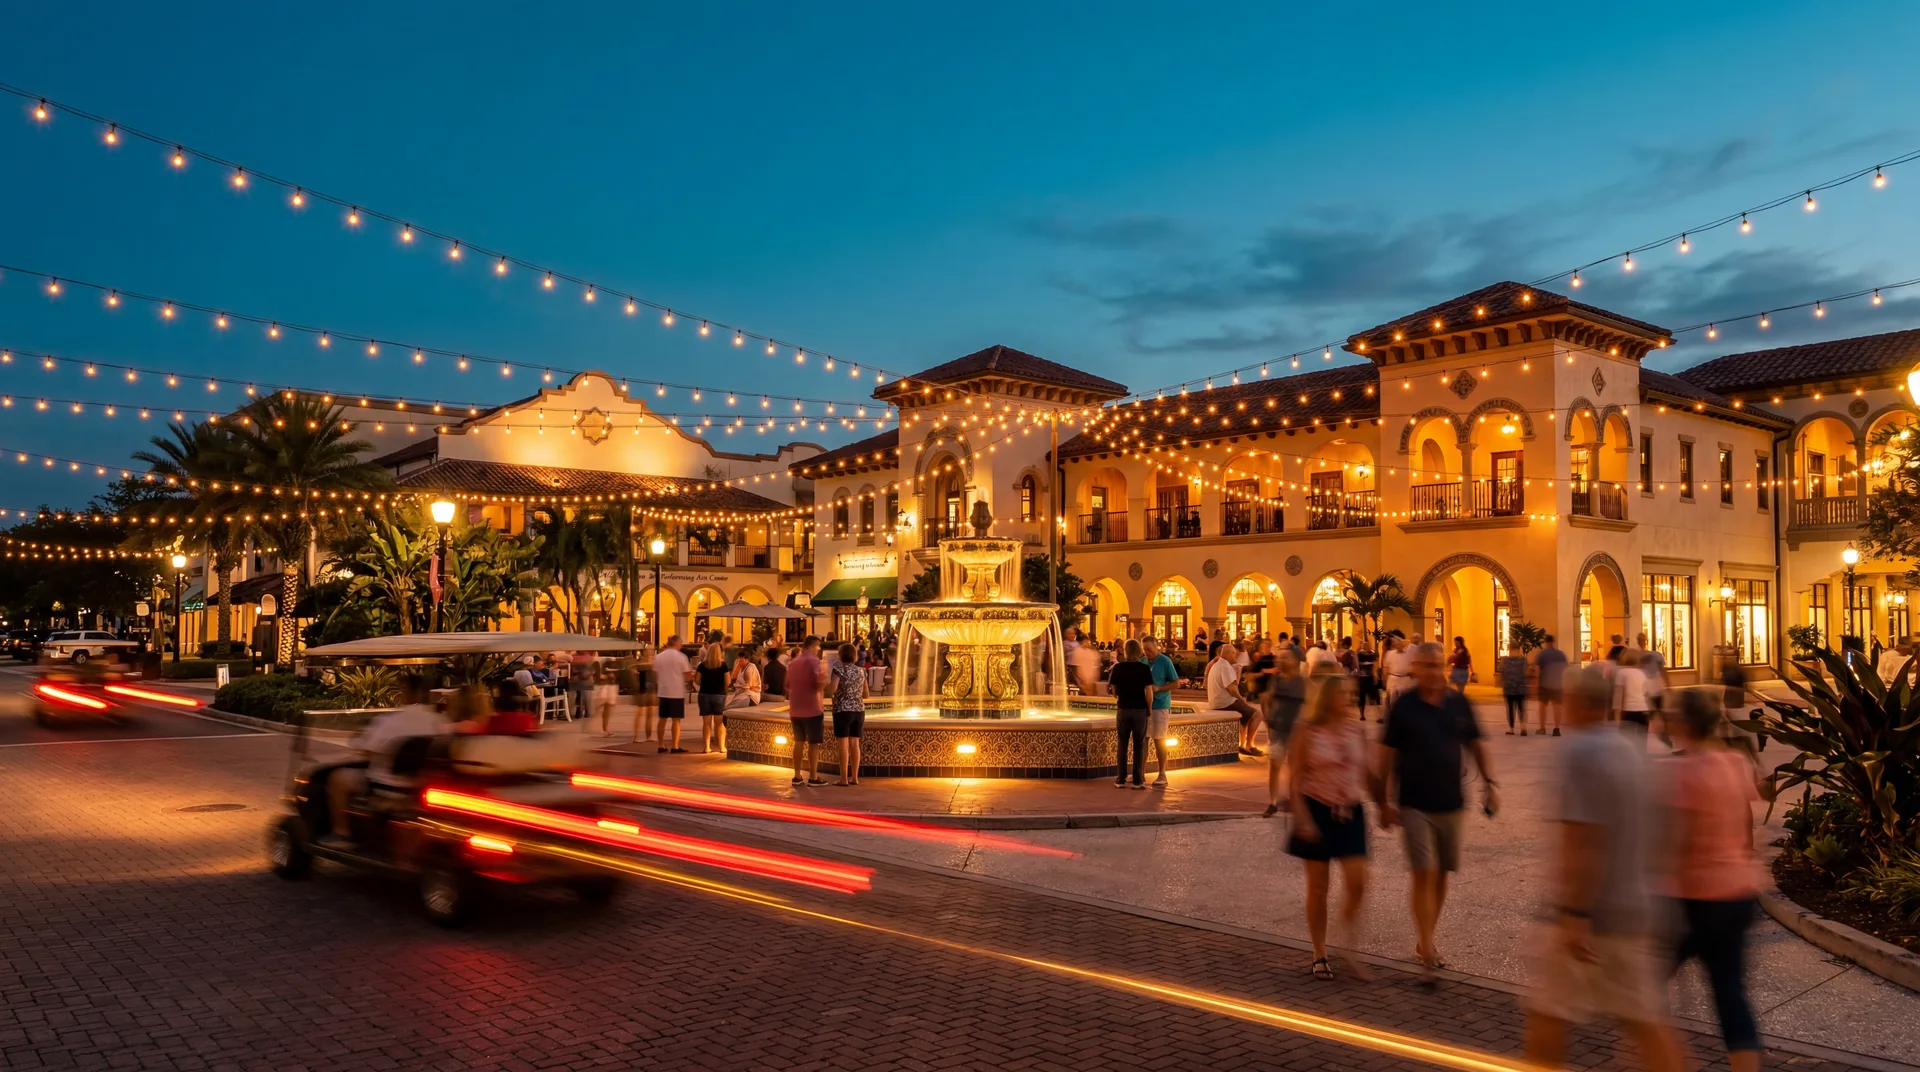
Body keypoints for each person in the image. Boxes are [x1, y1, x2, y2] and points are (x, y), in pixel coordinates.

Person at [1523, 669, 1685, 1072]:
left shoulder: (1580, 752)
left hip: (1594, 917)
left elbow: (1582, 842)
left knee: (1548, 1011)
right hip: (1635, 907)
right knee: (1645, 1020)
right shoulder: (1631, 747)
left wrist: (1573, 914)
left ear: (1574, 702)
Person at [1377, 643, 1498, 976]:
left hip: (1450, 801)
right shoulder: (1404, 706)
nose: (1433, 672)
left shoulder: (1459, 703)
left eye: (1438, 665)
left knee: (1442, 873)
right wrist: (1383, 802)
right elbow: (1385, 756)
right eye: (1427, 666)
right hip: (1414, 802)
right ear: (1415, 667)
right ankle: (1427, 944)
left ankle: (1424, 939)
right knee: (1424, 871)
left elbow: (1476, 744)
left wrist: (1490, 785)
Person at [1660, 690, 1763, 1072]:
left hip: (1694, 899)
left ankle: (1665, 1060)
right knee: (1730, 994)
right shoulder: (1735, 763)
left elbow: (1675, 840)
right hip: (1737, 892)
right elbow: (1745, 821)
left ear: (1683, 724)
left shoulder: (1679, 770)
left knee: (1641, 986)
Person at [1287, 669, 1372, 981]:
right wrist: (1303, 818)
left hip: (1350, 811)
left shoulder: (1356, 731)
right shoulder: (1306, 731)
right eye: (1343, 694)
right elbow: (1294, 778)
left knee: (1358, 882)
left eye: (1351, 694)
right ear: (1327, 699)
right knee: (1319, 885)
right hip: (1315, 809)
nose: (1349, 699)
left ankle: (1346, 942)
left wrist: (1387, 803)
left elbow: (1367, 771)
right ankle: (1319, 951)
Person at [324, 674, 448, 844]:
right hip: (420, 789)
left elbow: (363, 749)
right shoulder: (440, 721)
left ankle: (341, 832)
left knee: (338, 778)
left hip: (387, 788)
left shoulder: (389, 722)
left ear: (405, 692)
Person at [1262, 647, 1306, 818]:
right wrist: (1268, 720)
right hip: (1278, 730)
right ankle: (1272, 802)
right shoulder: (1277, 680)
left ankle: (1294, 801)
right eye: (1279, 658)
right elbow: (1268, 699)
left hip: (1296, 731)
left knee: (1295, 769)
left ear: (1295, 661)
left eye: (1285, 658)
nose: (1280, 661)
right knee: (1274, 767)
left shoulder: (1302, 682)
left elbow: (1309, 706)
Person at [1108, 639, 1154, 789]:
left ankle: (1121, 779)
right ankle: (1137, 780)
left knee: (1122, 744)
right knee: (1139, 745)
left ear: (1126, 651)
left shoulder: (1118, 668)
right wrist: (1149, 709)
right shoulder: (1144, 669)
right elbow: (1149, 692)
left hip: (1123, 708)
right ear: (1139, 651)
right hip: (1140, 709)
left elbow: (1114, 688)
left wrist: (1118, 696)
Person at [785, 636, 829, 786]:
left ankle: (797, 776)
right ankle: (813, 777)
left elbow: (787, 684)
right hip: (812, 708)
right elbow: (820, 684)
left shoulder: (793, 663)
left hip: (795, 708)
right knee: (813, 743)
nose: (818, 650)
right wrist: (824, 673)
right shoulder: (815, 662)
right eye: (818, 647)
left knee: (798, 741)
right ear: (812, 646)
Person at [1142, 635, 1184, 788]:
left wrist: (1159, 688)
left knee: (1159, 740)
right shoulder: (1143, 662)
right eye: (1144, 649)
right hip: (1145, 706)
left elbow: (1176, 683)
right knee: (1143, 740)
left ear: (1157, 647)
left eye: (1149, 649)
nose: (1147, 652)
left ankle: (1162, 773)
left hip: (1160, 705)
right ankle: (1140, 773)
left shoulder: (1165, 661)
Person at [1207, 641, 1262, 756]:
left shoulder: (1217, 665)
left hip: (1216, 702)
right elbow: (1231, 689)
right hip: (1225, 702)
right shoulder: (1225, 666)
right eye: (1234, 654)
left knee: (1246, 715)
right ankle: (1249, 746)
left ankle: (1242, 744)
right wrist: (1241, 699)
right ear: (1229, 653)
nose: (1236, 656)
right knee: (1257, 715)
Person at [830, 642, 869, 785]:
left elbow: (832, 690)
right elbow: (866, 695)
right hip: (858, 710)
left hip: (842, 710)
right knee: (855, 743)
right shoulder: (861, 671)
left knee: (843, 744)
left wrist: (835, 691)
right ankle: (855, 777)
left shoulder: (838, 670)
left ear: (841, 655)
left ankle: (843, 778)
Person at [652, 634, 692, 754]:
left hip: (663, 690)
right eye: (680, 643)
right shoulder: (681, 657)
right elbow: (688, 675)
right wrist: (693, 675)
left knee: (662, 719)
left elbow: (655, 673)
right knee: (676, 720)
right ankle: (675, 745)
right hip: (676, 692)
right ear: (676, 643)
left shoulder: (659, 657)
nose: (681, 645)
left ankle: (661, 745)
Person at [695, 643, 730, 754]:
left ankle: (707, 747)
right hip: (719, 695)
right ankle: (722, 747)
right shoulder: (723, 665)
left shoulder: (702, 665)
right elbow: (728, 682)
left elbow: (697, 681)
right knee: (719, 723)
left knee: (706, 723)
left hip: (704, 694)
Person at [1613, 648, 1652, 743]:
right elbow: (1647, 693)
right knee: (1642, 741)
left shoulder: (1621, 673)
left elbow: (1619, 696)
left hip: (1628, 710)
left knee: (1626, 741)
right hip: (1644, 709)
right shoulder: (1644, 673)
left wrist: (1617, 717)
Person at [1535, 635, 1569, 737]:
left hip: (1545, 683)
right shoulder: (1561, 654)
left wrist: (1537, 682)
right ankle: (1557, 728)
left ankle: (1542, 728)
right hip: (1558, 684)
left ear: (1546, 642)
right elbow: (1565, 669)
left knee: (1542, 705)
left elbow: (1537, 670)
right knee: (1557, 706)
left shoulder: (1541, 654)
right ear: (1554, 642)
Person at [1499, 643, 1530, 735]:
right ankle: (1523, 727)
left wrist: (1503, 683)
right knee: (1521, 708)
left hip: (1509, 687)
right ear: (1518, 649)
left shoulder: (1504, 660)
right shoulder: (1523, 660)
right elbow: (1526, 673)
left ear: (1510, 649)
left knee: (1511, 709)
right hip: (1520, 687)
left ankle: (1511, 729)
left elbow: (1501, 673)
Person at [1382, 635, 1414, 710]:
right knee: (1392, 702)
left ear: (1402, 644)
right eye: (1396, 644)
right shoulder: (1390, 654)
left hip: (1404, 679)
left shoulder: (1409, 654)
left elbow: (1413, 666)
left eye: (1399, 643)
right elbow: (1386, 667)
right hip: (1393, 679)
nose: (1397, 645)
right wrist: (1385, 678)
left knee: (1404, 701)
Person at [1354, 638, 1379, 722]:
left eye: (1367, 644)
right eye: (1364, 644)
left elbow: (1375, 664)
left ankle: (1378, 715)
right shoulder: (1359, 653)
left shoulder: (1372, 653)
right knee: (1362, 697)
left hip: (1370, 677)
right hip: (1362, 677)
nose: (1366, 646)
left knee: (1374, 697)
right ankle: (1362, 715)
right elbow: (1356, 664)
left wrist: (1375, 675)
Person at [592, 665, 620, 737]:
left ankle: (605, 728)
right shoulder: (606, 685)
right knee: (606, 709)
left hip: (609, 687)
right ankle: (604, 728)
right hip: (606, 688)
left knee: (607, 709)